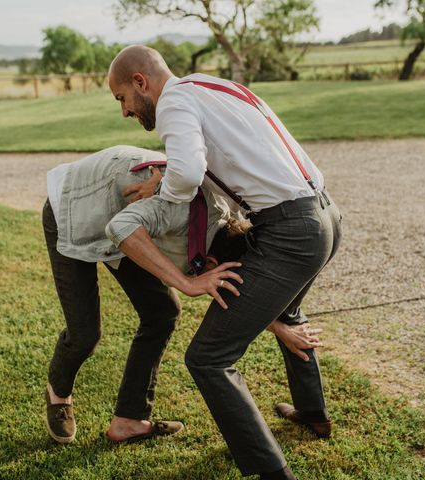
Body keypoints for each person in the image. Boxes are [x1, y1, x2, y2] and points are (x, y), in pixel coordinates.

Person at [107, 46, 342, 480]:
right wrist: (170, 173)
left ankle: (270, 471)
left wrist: (164, 191)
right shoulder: (212, 85)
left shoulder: (175, 101)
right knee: (285, 311)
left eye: (121, 97)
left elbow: (190, 174)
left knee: (209, 357)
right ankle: (313, 413)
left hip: (289, 232)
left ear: (141, 82)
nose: (123, 111)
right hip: (325, 216)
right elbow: (218, 159)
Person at [43, 145, 326, 446]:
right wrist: (186, 283)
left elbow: (229, 288)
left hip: (125, 216)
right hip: (73, 208)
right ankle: (58, 395)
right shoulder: (177, 210)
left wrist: (280, 328)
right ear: (213, 264)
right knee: (85, 333)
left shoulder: (221, 225)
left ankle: (129, 420)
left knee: (161, 312)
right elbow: (121, 227)